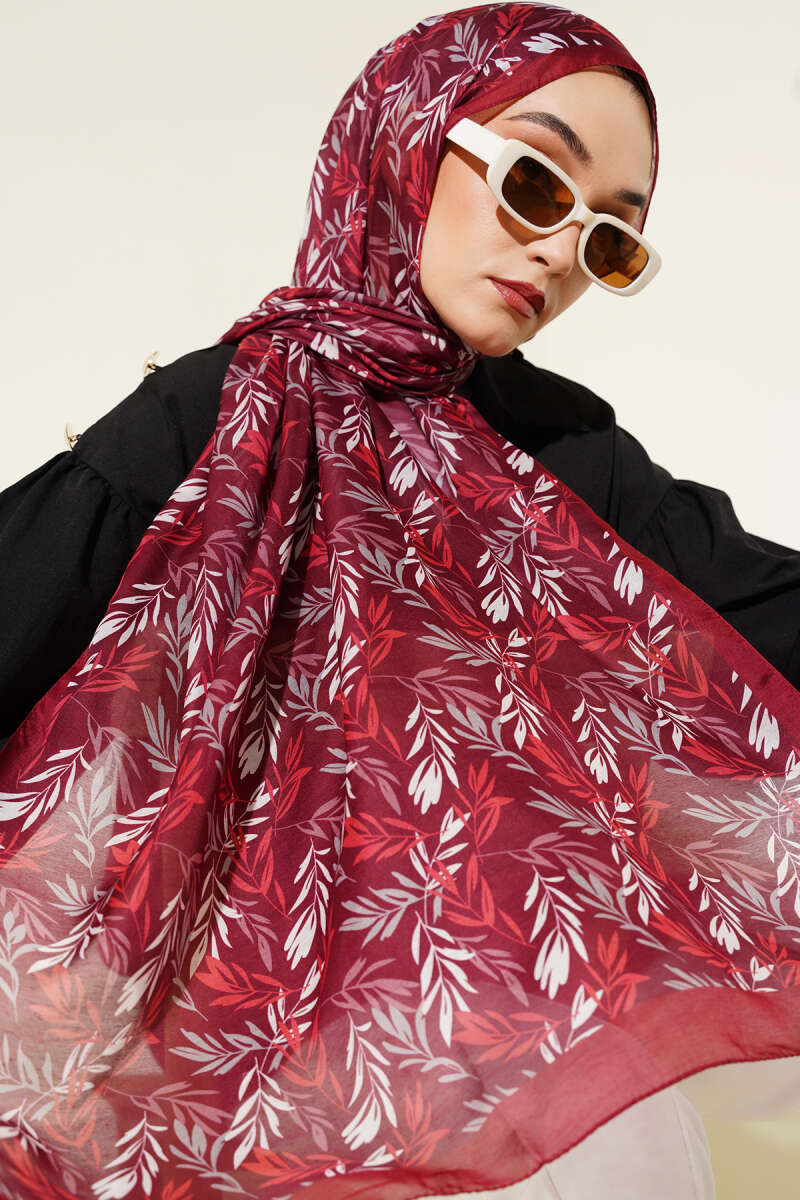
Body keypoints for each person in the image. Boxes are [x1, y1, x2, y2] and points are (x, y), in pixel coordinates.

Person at [0, 4, 798, 1198]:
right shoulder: (213, 419)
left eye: (607, 242)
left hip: (488, 1057)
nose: (557, 254)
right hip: (194, 1043)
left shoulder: (561, 451)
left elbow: (758, 609)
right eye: (535, 184)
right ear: (410, 141)